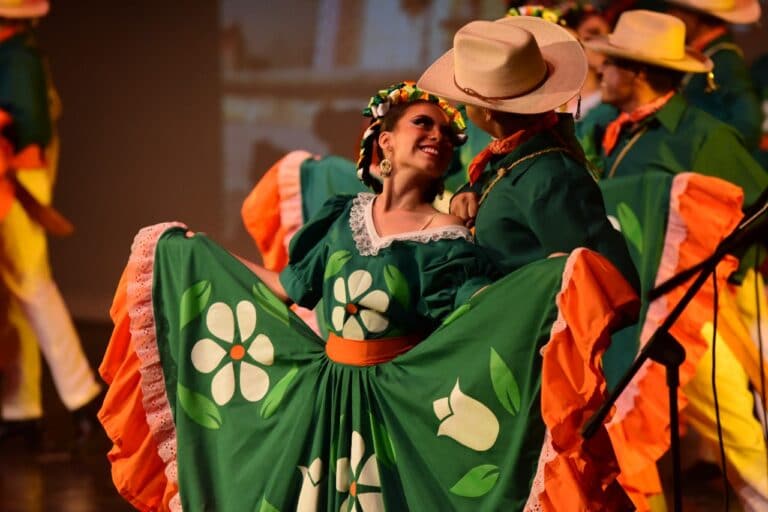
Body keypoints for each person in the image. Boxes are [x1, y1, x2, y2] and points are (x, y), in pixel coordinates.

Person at [98, 82, 637, 511]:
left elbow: (477, 320)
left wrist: (551, 280)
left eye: (448, 132)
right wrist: (199, 254)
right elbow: (289, 288)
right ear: (385, 142)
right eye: (422, 123)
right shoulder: (341, 216)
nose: (439, 135)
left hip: (393, 408)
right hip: (319, 398)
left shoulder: (447, 238)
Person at [580, 10, 768, 510]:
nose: (604, 72)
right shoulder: (620, 132)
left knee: (734, 424)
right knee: (718, 425)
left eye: (613, 64)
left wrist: (718, 275)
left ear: (638, 72)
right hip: (655, 305)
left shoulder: (701, 135)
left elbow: (758, 205)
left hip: (708, 303)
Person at [417, 15, 640, 290]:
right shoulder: (512, 160)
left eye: (465, 103)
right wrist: (473, 190)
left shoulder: (553, 177)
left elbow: (602, 283)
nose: (462, 109)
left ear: (485, 110)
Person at [0, 0, 101, 449]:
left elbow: (33, 130)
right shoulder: (16, 52)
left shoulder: (18, 55)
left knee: (32, 282)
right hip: (13, 174)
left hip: (17, 175)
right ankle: (21, 407)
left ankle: (83, 395)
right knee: (19, 290)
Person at [665, 0, 763, 152]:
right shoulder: (708, 55)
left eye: (678, 10)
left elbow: (749, 124)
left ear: (696, 17)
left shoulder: (724, 61)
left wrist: (710, 154)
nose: (670, 15)